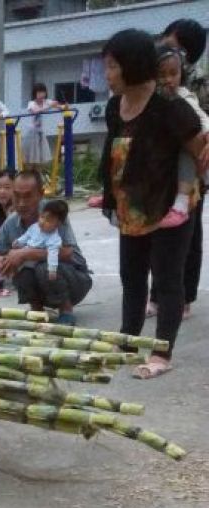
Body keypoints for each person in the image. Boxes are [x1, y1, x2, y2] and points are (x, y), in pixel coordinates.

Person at [97, 29, 207, 379]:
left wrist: (187, 193)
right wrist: (110, 196)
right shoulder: (117, 105)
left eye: (112, 66)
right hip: (134, 205)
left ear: (131, 65)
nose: (107, 74)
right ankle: (128, 341)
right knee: (132, 276)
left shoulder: (169, 105)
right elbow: (113, 152)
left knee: (167, 279)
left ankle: (162, 353)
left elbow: (198, 150)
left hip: (169, 207)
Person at [149, 20, 209, 319]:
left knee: (188, 233)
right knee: (157, 231)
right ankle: (157, 295)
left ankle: (183, 296)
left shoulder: (195, 84)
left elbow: (201, 122)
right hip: (161, 166)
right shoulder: (153, 73)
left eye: (171, 42)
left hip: (191, 162)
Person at [0, 170, 92, 324]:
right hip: (44, 284)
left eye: (27, 196)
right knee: (20, 267)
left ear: (40, 194)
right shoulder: (12, 221)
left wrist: (26, 253)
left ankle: (65, 309)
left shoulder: (54, 213)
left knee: (43, 265)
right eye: (17, 196)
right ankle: (37, 309)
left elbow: (68, 253)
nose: (21, 203)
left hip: (74, 279)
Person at [12, 198, 73, 318]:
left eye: (49, 220)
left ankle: (65, 310)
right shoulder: (34, 227)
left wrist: (52, 269)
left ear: (58, 224)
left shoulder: (53, 238)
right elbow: (26, 236)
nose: (43, 222)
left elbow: (53, 254)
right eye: (42, 217)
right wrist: (18, 242)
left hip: (42, 265)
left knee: (45, 272)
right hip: (29, 264)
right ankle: (36, 309)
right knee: (24, 278)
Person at [21, 83, 62, 167]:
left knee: (40, 159)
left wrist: (64, 106)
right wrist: (49, 106)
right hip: (31, 133)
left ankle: (37, 175)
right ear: (35, 94)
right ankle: (30, 174)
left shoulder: (46, 102)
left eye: (43, 92)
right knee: (30, 159)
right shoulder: (31, 103)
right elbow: (36, 111)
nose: (41, 95)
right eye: (39, 93)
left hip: (40, 133)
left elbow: (57, 105)